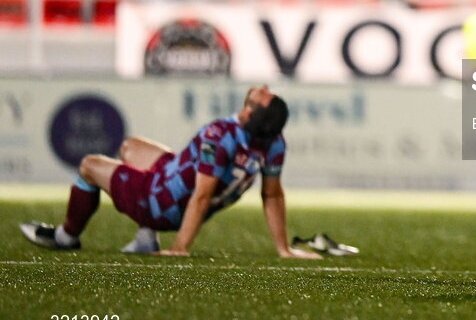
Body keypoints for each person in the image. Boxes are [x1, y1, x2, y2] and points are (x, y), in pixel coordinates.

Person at [20, 86, 319, 259]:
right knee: (130, 147)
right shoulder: (274, 143)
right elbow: (272, 194)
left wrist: (180, 248)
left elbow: (201, 197)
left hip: (159, 201)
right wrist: (284, 249)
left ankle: (65, 237)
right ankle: (145, 239)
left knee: (88, 165)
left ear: (249, 113)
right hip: (173, 179)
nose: (261, 89)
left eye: (259, 98)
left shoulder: (221, 134)